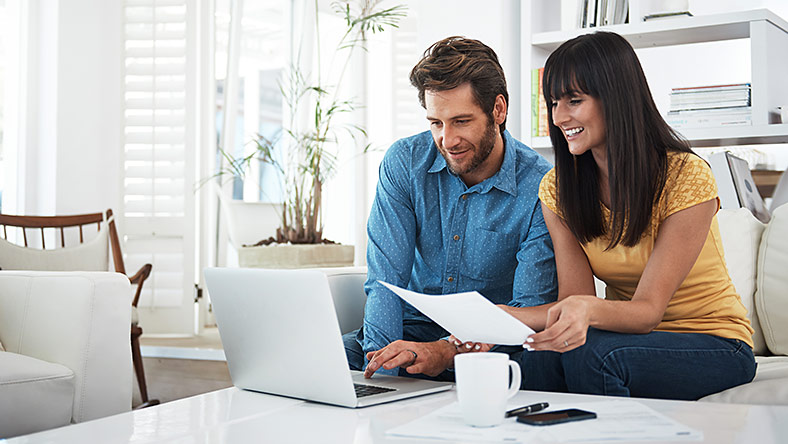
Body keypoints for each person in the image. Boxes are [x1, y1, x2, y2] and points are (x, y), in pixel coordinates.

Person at [460, 31, 756, 400]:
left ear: (617, 99)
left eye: (574, 101)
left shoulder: (686, 175)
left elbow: (647, 312)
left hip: (713, 342)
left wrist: (582, 310)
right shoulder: (557, 189)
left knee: (592, 357)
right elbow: (575, 299)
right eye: (554, 102)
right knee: (533, 359)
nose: (559, 116)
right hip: (629, 339)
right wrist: (499, 317)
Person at [342, 36, 558, 380]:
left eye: (461, 121)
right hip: (408, 332)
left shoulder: (540, 186)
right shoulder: (405, 163)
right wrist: (381, 370)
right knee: (319, 361)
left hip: (490, 346)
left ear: (498, 110)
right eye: (435, 123)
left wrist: (446, 350)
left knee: (538, 367)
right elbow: (385, 281)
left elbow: (526, 308)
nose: (447, 140)